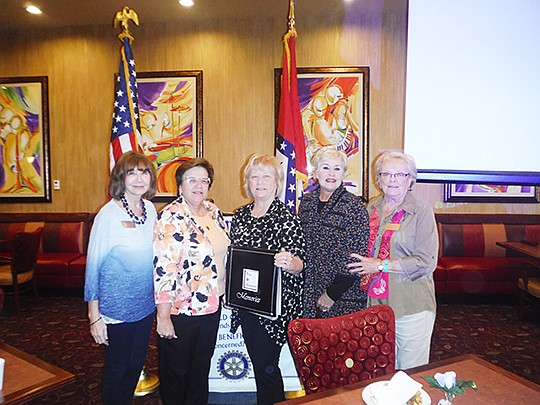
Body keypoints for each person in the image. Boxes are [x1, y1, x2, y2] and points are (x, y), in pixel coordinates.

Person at [347, 151, 438, 370]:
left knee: (409, 374)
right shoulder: (371, 208)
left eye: (400, 174)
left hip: (411, 306)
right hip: (375, 305)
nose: (393, 179)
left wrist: (380, 265)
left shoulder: (421, 211)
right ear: (379, 179)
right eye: (387, 174)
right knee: (381, 370)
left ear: (411, 179)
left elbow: (426, 262)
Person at [230, 154, 305, 405]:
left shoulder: (287, 218)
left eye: (266, 176)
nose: (259, 181)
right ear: (247, 181)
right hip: (246, 302)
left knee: (266, 365)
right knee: (261, 363)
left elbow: (300, 264)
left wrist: (290, 263)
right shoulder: (240, 216)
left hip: (275, 309)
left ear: (277, 182)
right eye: (254, 176)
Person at [153, 158, 230, 405]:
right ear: (180, 186)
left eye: (204, 180)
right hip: (180, 310)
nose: (198, 185)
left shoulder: (214, 212)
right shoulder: (170, 216)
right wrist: (163, 317)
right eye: (192, 180)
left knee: (200, 369)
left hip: (211, 306)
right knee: (176, 373)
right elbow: (164, 269)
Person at [84, 151, 158, 404]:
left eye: (144, 172)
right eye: (132, 172)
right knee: (118, 367)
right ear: (121, 177)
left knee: (136, 365)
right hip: (116, 308)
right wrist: (95, 316)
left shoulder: (150, 210)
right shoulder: (108, 215)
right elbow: (93, 267)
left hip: (145, 306)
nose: (139, 178)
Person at [299, 147, 369, 318]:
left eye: (337, 169)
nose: (331, 173)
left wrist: (331, 294)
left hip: (343, 295)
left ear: (344, 174)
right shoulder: (307, 203)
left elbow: (356, 257)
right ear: (315, 172)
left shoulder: (354, 206)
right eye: (325, 167)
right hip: (310, 289)